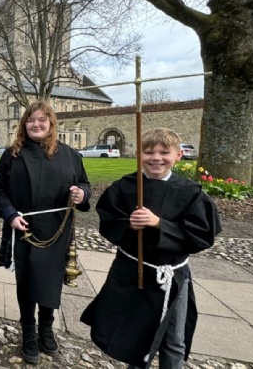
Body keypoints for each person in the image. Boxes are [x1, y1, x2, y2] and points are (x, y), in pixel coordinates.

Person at [81, 128, 221, 369]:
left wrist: (159, 224)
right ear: (139, 155)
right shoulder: (124, 187)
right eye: (148, 152)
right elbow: (109, 222)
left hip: (172, 277)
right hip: (134, 271)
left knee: (173, 338)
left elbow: (201, 234)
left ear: (178, 155)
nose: (156, 158)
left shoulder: (190, 192)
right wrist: (130, 225)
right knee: (134, 332)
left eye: (164, 152)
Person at [0, 100, 91, 364]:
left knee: (49, 280)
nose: (36, 124)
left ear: (50, 124)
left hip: (57, 230)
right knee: (26, 281)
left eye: (41, 120)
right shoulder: (12, 154)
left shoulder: (70, 154)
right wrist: (10, 214)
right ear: (24, 124)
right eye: (31, 120)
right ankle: (28, 332)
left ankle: (46, 329)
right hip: (25, 229)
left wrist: (81, 194)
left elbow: (84, 184)